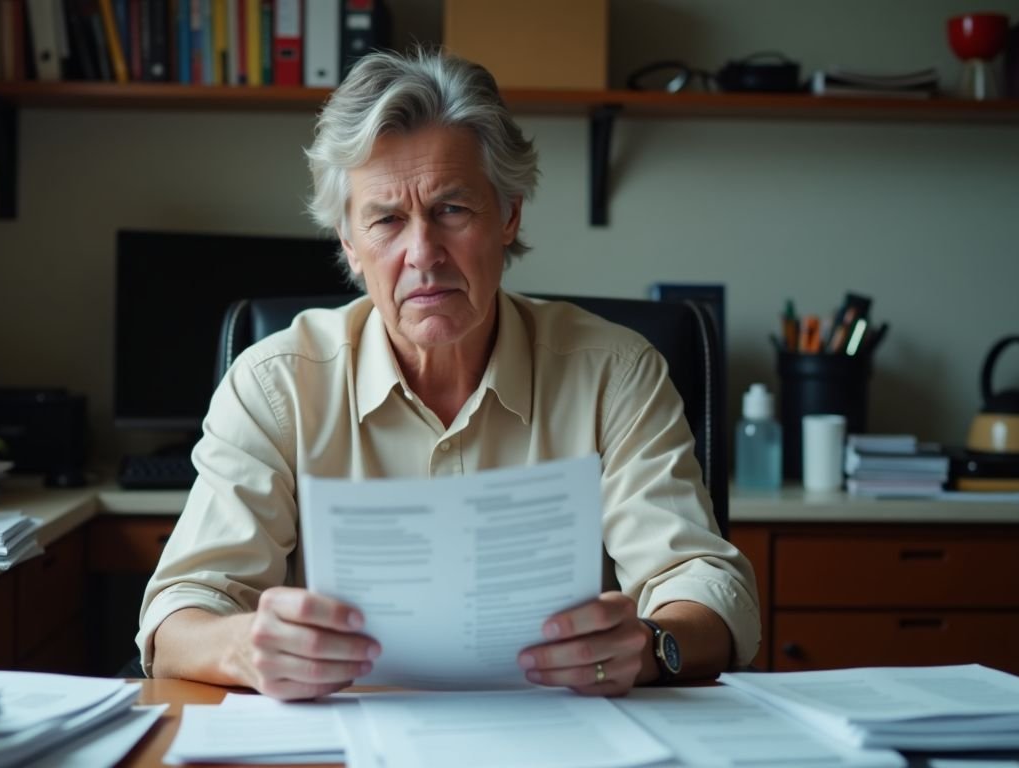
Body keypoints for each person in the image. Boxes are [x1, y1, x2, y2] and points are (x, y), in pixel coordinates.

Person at [138, 49, 759, 701]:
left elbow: (707, 586)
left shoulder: (616, 372)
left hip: (564, 738)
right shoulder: (275, 383)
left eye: (452, 210)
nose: (423, 254)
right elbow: (179, 611)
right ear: (348, 242)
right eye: (385, 220)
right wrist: (244, 648)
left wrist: (652, 646)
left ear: (509, 214)